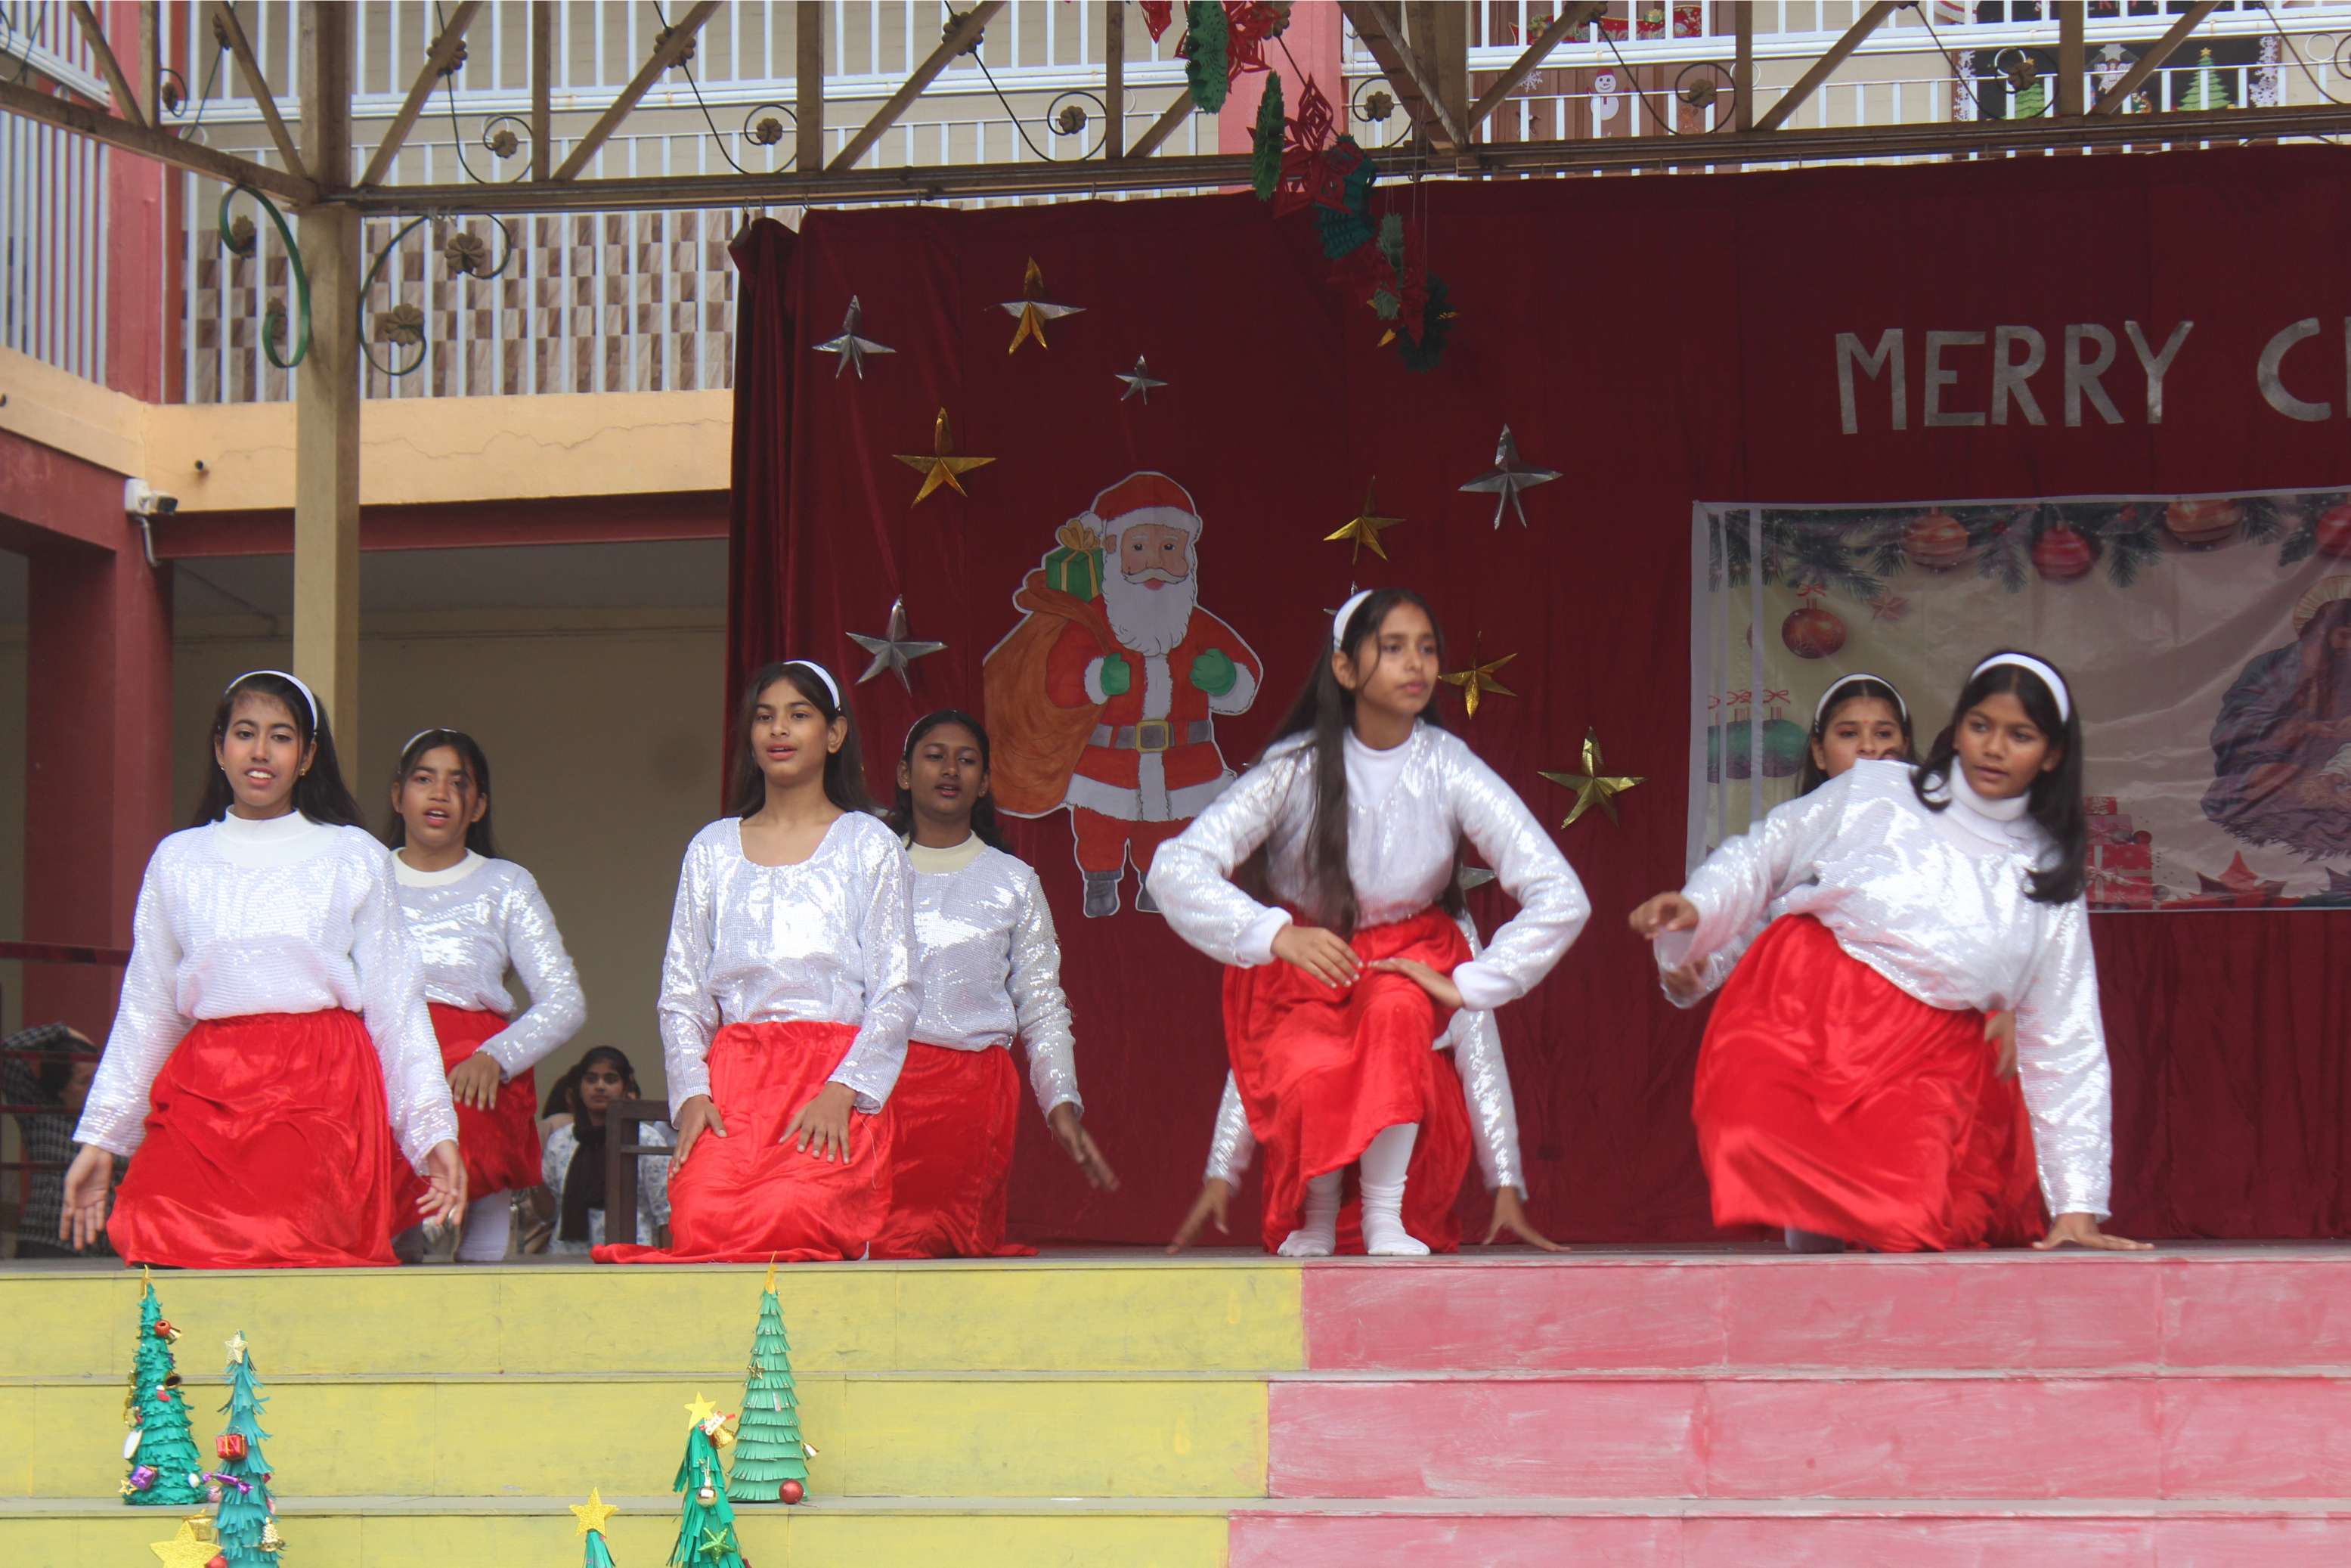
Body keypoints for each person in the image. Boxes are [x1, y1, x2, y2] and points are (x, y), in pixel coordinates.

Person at [1630, 652, 2145, 1254]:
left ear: (2052, 754)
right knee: (1750, 1126)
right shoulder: (1877, 790)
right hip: (1811, 1016)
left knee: (1908, 1227)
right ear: (1958, 728)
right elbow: (1763, 854)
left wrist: (2078, 1205)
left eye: (2020, 735)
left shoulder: (2048, 869)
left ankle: (1834, 1216)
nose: (1994, 748)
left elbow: (2065, 1037)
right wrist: (1698, 907)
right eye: (1981, 726)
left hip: (1931, 1058)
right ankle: (1815, 1211)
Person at [1148, 588, 1589, 1257]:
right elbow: (1175, 868)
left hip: (1408, 955)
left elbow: (1561, 894)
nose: (1416, 664)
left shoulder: (1449, 765)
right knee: (1305, 1059)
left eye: (1427, 648)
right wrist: (1275, 934)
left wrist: (1473, 983)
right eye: (1393, 648)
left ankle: (1386, 1217)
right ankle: (1318, 1215)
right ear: (1345, 669)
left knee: (1397, 1011)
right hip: (1307, 960)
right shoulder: (1293, 770)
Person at [58, 670, 463, 1267]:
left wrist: (433, 1131)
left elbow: (396, 1007)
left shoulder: (352, 855)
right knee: (154, 1224)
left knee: (287, 1246)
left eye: (281, 736)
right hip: (207, 1086)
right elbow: (148, 1009)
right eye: (245, 733)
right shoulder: (178, 859)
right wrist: (101, 1139)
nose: (260, 751)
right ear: (219, 747)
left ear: (307, 757)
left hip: (320, 1089)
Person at [596, 660, 918, 1264]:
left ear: (835, 734)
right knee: (702, 1217)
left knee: (792, 1213)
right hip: (733, 1088)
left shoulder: (868, 842)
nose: (780, 729)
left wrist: (844, 1090)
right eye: (765, 717)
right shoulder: (712, 848)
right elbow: (682, 995)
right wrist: (692, 1094)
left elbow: (897, 990)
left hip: (829, 1081)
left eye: (799, 715)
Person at [871, 711, 1117, 1260]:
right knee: (870, 1248)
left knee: (949, 1249)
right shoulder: (868, 871)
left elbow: (1042, 1003)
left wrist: (1061, 1101)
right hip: (876, 1089)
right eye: (935, 756)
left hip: (970, 1100)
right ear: (905, 774)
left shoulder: (1013, 882)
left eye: (967, 760)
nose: (950, 769)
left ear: (983, 782)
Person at [386, 728, 587, 1263]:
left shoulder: (506, 884)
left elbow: (565, 1001)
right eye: (424, 779)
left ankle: (481, 1252)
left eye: (458, 783)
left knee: (469, 1115)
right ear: (398, 796)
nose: (439, 794)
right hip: (385, 1052)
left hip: (473, 1066)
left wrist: (496, 1057)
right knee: (390, 1234)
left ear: (478, 806)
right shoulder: (365, 875)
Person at [1658, 673, 1919, 1006]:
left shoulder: (1937, 840)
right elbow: (1739, 935)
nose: (1868, 748)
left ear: (1904, 747)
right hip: (1808, 1021)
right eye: (1848, 734)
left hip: (1910, 1025)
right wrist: (1696, 966)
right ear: (1819, 753)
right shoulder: (1790, 843)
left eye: (1883, 734)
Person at [541, 1048, 671, 1254]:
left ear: (625, 1087)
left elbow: (665, 1214)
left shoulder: (645, 1139)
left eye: (610, 1079)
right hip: (567, 1259)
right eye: (591, 1079)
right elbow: (549, 1212)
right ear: (579, 1086)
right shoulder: (561, 1140)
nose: (599, 1086)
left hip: (630, 1258)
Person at [1, 1023, 109, 1259]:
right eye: (84, 1081)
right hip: (46, 1244)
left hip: (102, 1252)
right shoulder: (42, 1117)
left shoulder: (110, 1125)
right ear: (61, 1089)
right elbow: (8, 1053)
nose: (94, 1088)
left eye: (97, 1078)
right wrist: (63, 1031)